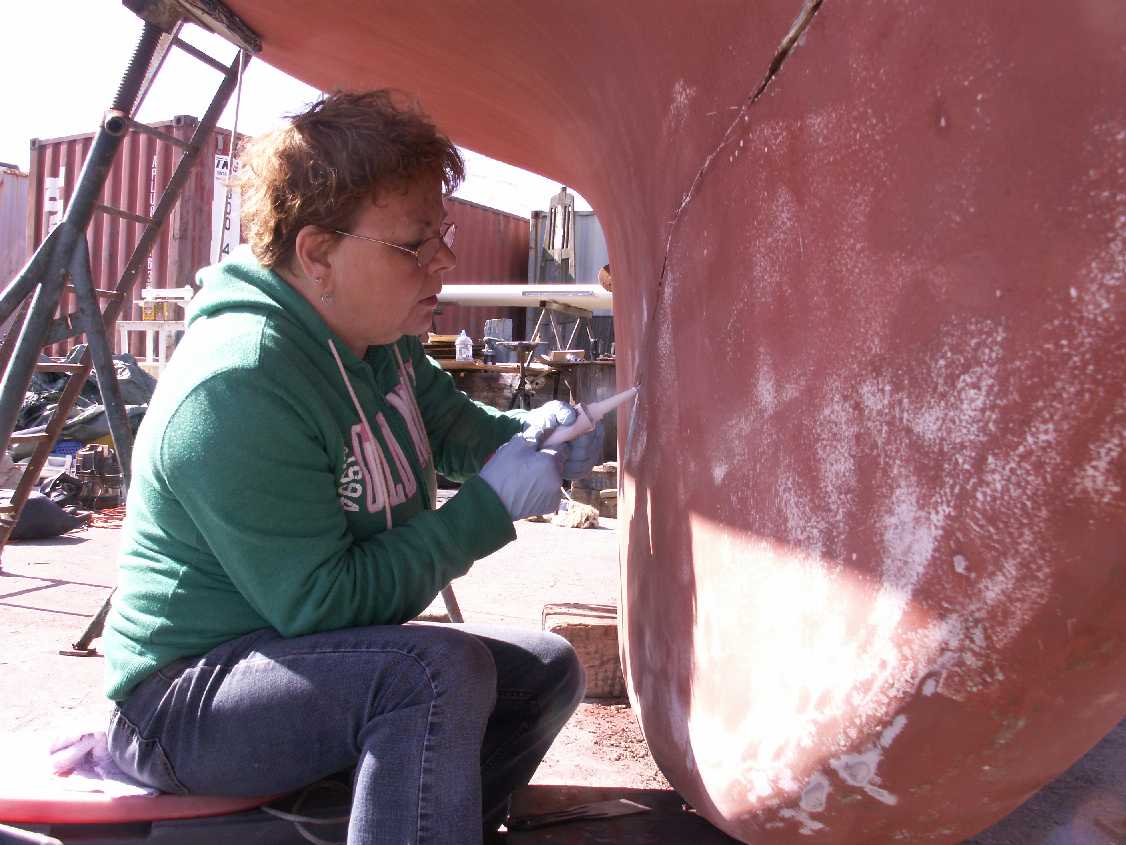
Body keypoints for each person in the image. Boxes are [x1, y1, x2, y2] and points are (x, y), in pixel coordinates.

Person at [102, 90, 603, 845]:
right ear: (317, 252)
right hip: (183, 699)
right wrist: (488, 509)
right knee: (431, 678)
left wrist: (537, 435)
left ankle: (348, 826)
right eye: (415, 243)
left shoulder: (379, 336)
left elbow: (457, 427)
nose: (445, 260)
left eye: (444, 233)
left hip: (296, 660)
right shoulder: (239, 385)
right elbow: (326, 602)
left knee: (543, 672)